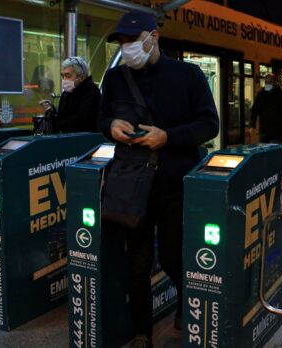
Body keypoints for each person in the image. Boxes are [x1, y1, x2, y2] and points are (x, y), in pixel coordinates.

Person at [97, 11, 219, 348]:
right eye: (122, 42)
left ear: (154, 36)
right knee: (136, 263)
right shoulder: (116, 78)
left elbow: (209, 124)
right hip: (132, 184)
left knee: (171, 256)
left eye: (133, 40)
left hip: (174, 184)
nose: (127, 47)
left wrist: (168, 137)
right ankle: (141, 333)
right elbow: (102, 118)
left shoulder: (188, 75)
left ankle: (184, 301)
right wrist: (111, 128)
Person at [52, 56, 100, 133]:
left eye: (68, 76)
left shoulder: (91, 92)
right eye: (62, 76)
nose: (64, 80)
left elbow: (82, 118)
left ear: (81, 77)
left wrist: (60, 123)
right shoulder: (67, 93)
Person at [250, 73, 282, 143]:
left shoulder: (281, 94)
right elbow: (255, 110)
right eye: (267, 82)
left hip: (277, 131)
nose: (268, 84)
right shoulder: (261, 94)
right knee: (264, 151)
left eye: (270, 82)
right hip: (264, 129)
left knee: (273, 150)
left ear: (274, 82)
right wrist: (252, 125)